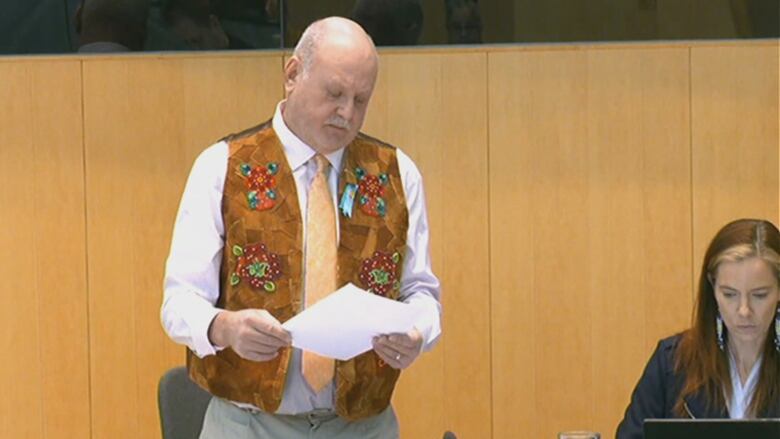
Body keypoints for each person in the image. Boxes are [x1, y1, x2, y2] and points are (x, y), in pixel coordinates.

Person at [161, 16, 441, 439]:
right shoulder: (223, 166)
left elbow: (420, 291)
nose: (347, 113)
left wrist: (418, 333)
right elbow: (179, 301)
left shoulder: (396, 175)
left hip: (363, 426)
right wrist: (225, 327)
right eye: (335, 93)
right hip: (248, 424)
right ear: (292, 74)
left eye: (361, 99)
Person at [616, 218, 780, 438]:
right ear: (713, 290)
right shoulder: (672, 362)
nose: (744, 310)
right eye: (729, 294)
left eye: (759, 295)